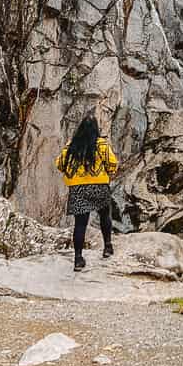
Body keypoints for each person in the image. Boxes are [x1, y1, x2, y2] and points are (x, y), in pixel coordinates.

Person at [55, 115, 118, 272]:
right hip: (99, 186)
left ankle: (78, 259)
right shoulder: (102, 145)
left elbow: (59, 164)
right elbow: (112, 164)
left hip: (78, 188)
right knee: (105, 216)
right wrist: (107, 173)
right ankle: (108, 247)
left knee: (80, 224)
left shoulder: (72, 146)